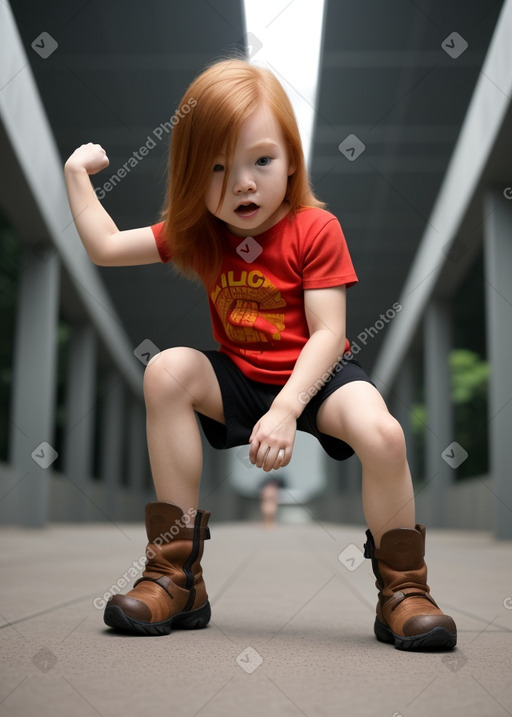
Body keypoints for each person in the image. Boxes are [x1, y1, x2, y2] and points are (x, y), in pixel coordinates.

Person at [64, 58, 456, 650]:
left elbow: (328, 333)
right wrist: (75, 174)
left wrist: (286, 410)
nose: (243, 182)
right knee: (167, 370)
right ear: (193, 176)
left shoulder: (315, 228)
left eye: (261, 161)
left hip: (319, 379)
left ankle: (404, 590)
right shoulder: (200, 234)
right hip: (242, 375)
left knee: (384, 435)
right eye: (218, 167)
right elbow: (105, 246)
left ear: (291, 161)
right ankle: (175, 575)